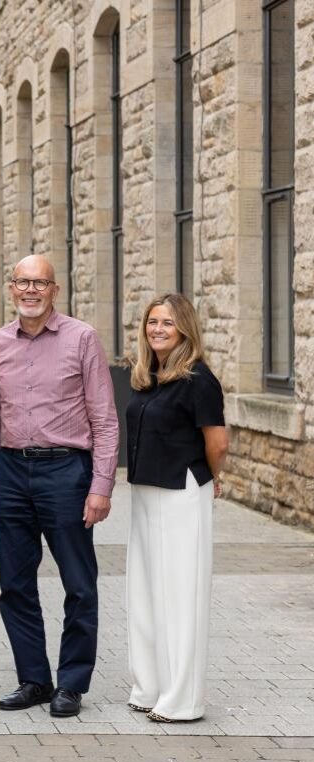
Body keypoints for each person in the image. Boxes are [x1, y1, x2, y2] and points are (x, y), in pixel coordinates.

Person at [0, 254, 118, 718]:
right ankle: (35, 680)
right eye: (22, 282)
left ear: (54, 290)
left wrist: (101, 486)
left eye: (40, 282)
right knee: (15, 585)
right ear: (11, 287)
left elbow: (104, 418)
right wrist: (2, 463)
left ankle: (72, 684)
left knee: (79, 584)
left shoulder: (82, 338)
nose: (30, 290)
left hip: (67, 473)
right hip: (13, 476)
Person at [125, 293, 228, 723]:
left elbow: (218, 442)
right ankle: (150, 686)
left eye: (167, 323)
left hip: (183, 490)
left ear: (184, 328)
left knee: (181, 596)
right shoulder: (151, 375)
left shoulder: (199, 379)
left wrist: (214, 476)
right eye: (152, 322)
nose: (158, 330)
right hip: (147, 491)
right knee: (145, 593)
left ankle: (183, 699)